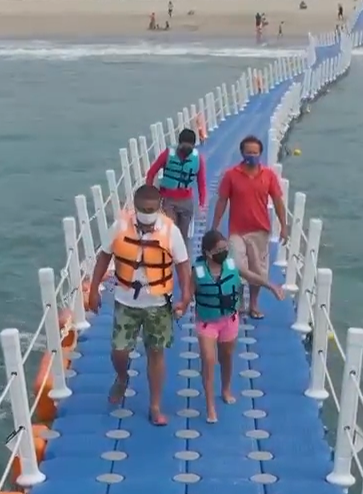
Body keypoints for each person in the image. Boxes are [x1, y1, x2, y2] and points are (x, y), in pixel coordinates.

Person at [84, 184, 191, 426]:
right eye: (142, 209)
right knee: (119, 351)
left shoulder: (170, 231)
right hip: (125, 301)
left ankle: (155, 405)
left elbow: (183, 265)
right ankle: (122, 377)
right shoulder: (119, 227)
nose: (146, 213)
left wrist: (185, 295)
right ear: (135, 206)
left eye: (151, 210)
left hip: (158, 303)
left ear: (159, 207)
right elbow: (104, 257)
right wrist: (93, 289)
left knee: (156, 352)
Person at [191, 229, 282, 422]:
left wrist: (271, 286)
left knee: (226, 357)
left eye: (225, 248)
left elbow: (250, 276)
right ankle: (210, 406)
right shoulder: (198, 272)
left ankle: (225, 389)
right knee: (208, 360)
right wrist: (179, 306)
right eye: (219, 250)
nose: (224, 252)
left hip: (229, 320)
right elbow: (187, 293)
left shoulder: (231, 265)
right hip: (207, 323)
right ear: (208, 253)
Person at [210, 134, 290, 320]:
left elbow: (278, 201)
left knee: (258, 270)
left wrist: (284, 226)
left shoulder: (269, 175)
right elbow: (222, 201)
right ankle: (238, 302)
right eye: (248, 152)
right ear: (242, 153)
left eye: (255, 152)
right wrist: (215, 226)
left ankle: (254, 304)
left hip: (260, 230)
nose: (252, 156)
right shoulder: (231, 175)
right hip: (237, 231)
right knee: (236, 266)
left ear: (260, 154)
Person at [143, 127, 205, 237]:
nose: (186, 149)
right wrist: (149, 194)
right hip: (168, 200)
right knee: (171, 231)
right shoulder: (167, 154)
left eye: (189, 147)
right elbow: (151, 173)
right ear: (179, 144)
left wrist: (202, 203)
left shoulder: (198, 159)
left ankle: (182, 247)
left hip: (186, 201)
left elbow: (201, 182)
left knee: (183, 234)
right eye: (184, 146)